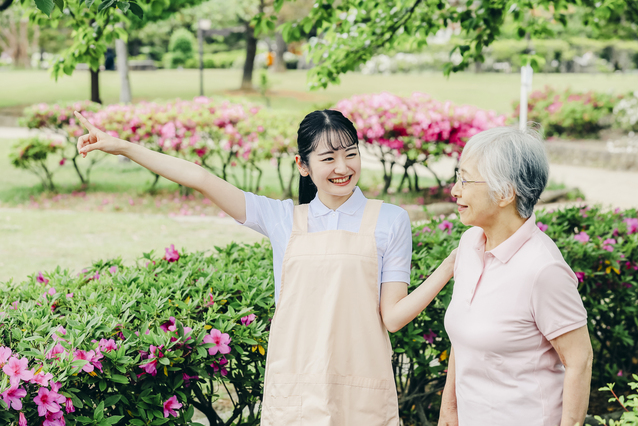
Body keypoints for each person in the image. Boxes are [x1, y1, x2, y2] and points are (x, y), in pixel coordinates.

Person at [73, 108, 457, 425]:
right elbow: (201, 178)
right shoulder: (282, 218)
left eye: (350, 153)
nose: (342, 167)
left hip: (362, 385)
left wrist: (450, 265)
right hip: (295, 385)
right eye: (328, 158)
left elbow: (392, 318)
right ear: (302, 166)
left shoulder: (391, 220)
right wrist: (122, 146)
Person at [438, 126, 593, 426]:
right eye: (457, 176)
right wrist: (450, 410)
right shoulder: (470, 243)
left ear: (505, 193)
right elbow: (463, 337)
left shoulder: (543, 269)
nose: (455, 189)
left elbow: (579, 361)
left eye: (466, 179)